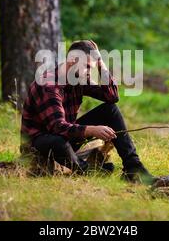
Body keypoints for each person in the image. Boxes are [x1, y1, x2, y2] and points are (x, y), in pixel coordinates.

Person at [21, 40, 155, 184]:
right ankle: (88, 170)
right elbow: (57, 127)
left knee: (110, 110)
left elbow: (112, 96)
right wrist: (92, 130)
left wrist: (100, 63)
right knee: (58, 141)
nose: (89, 72)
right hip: (40, 144)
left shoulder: (78, 78)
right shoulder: (49, 85)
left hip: (65, 139)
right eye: (87, 66)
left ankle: (133, 167)